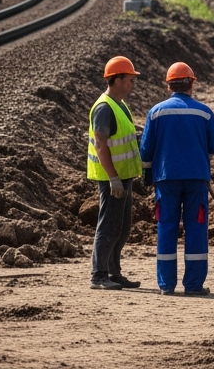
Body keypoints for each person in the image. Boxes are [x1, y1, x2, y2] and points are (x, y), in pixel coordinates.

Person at [139, 62, 214, 296]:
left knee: (166, 228)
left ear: (168, 86)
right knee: (196, 228)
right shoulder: (204, 112)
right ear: (191, 84)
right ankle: (194, 285)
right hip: (196, 179)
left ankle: (166, 285)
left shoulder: (156, 112)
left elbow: (145, 150)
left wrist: (147, 171)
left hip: (166, 180)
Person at [88, 56, 143, 291]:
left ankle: (113, 271)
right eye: (130, 79)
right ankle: (98, 275)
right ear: (118, 79)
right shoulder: (104, 107)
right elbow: (101, 145)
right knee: (108, 226)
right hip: (113, 179)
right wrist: (113, 179)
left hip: (124, 176)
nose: (133, 83)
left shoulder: (120, 105)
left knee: (121, 227)